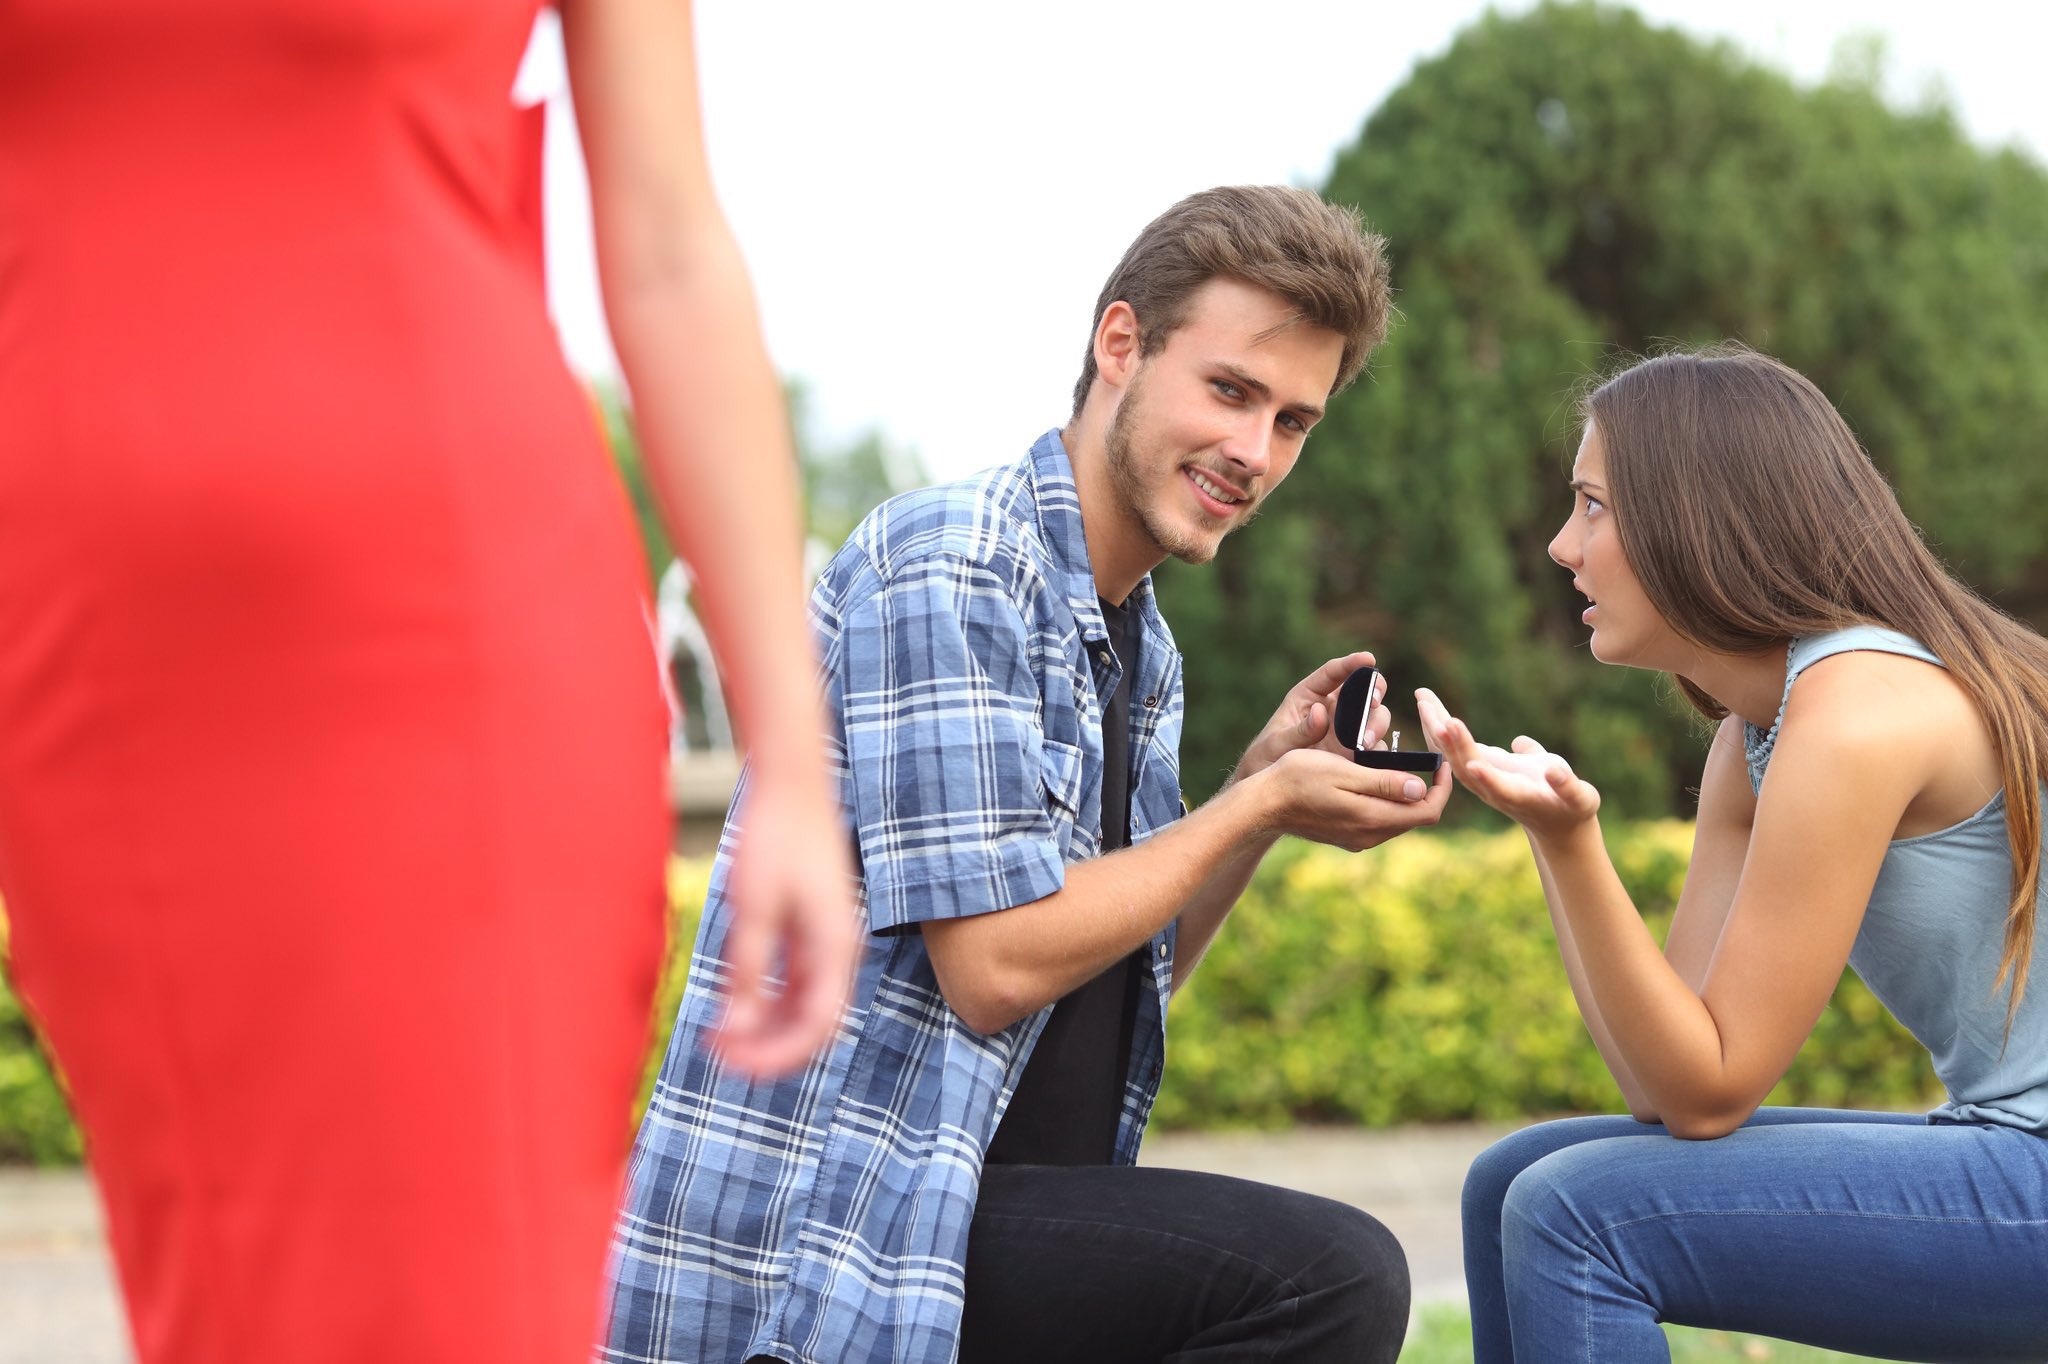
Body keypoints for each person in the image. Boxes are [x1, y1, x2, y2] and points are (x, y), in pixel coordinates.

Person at [0, 4, 856, 1362]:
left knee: (464, 1298)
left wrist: (796, 761)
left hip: (449, 632)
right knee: (232, 1298)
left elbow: (670, 246)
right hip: (87, 675)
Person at [603, 185, 1452, 1364]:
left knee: (1309, 1275)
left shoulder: (1136, 643)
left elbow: (1109, 970)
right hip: (835, 1248)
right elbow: (992, 966)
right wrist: (1254, 802)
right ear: (1120, 345)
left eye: (1293, 421)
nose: (1253, 453)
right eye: (1229, 390)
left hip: (964, 1216)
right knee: (1329, 1275)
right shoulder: (953, 564)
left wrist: (1252, 801)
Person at [1415, 347, 2048, 1361]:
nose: (1556, 544)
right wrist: (1555, 836)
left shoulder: (1854, 713)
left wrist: (1575, 845)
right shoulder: (1751, 739)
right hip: (2009, 1150)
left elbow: (1711, 1091)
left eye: (1590, 506)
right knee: (1512, 1178)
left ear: (1693, 520)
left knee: (1574, 1213)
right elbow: (1659, 1086)